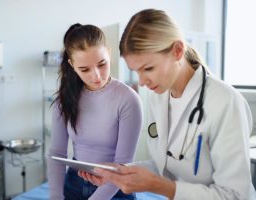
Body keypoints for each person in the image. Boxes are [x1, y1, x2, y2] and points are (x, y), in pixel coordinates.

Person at [79, 9, 256, 200]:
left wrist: (164, 188)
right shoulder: (160, 96)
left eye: (148, 68)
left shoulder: (225, 102)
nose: (142, 82)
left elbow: (236, 196)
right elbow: (164, 163)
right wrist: (120, 173)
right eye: (136, 71)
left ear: (177, 51)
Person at [47, 23, 143, 200]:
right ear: (72, 65)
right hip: (74, 184)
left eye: (102, 64)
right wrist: (55, 196)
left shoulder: (128, 99)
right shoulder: (65, 99)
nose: (96, 76)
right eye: (84, 69)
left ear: (109, 53)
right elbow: (57, 154)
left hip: (115, 188)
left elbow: (122, 164)